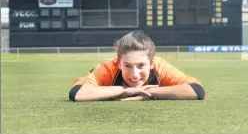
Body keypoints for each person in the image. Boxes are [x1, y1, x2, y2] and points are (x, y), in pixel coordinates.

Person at [69, 31, 205, 101]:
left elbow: (196, 90)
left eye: (141, 65)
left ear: (151, 63)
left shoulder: (160, 66)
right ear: (118, 62)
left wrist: (149, 92)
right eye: (127, 66)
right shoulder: (108, 68)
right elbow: (77, 93)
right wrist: (124, 91)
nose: (134, 74)